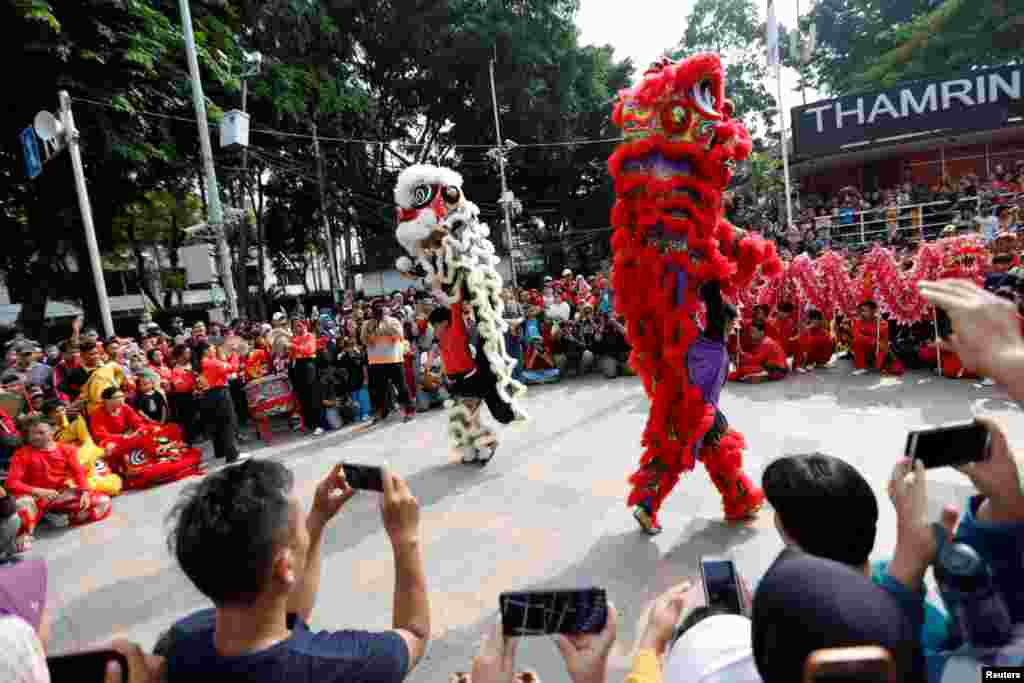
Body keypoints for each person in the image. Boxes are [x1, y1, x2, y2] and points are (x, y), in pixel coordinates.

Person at [160, 461, 428, 683]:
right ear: (285, 566)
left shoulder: (181, 642)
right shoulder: (342, 666)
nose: (305, 534)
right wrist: (406, 539)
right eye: (301, 528)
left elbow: (287, 613)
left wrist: (318, 517)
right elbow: (414, 635)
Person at [631, 282, 765, 534]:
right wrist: (709, 278)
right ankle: (741, 502)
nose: (733, 327)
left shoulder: (693, 344)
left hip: (685, 410)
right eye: (732, 322)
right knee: (722, 457)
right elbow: (713, 305)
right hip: (699, 412)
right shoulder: (710, 343)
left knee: (679, 460)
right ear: (722, 321)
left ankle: (646, 508)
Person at [429, 303, 521, 465]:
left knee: (466, 419)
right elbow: (447, 362)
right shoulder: (441, 339)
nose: (434, 329)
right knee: (463, 419)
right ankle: (472, 449)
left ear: (444, 322)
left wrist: (450, 286)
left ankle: (487, 446)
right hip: (456, 383)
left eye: (435, 325)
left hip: (471, 380)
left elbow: (455, 304)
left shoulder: (456, 328)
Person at [5, 416, 112, 553]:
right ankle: (26, 533)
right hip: (34, 498)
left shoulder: (67, 449)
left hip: (59, 495)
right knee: (23, 503)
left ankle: (65, 518)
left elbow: (78, 473)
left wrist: (85, 491)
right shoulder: (21, 454)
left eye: (41, 432)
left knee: (103, 502)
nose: (36, 437)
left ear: (52, 432)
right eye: (32, 433)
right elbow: (12, 483)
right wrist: (39, 492)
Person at [362, 300, 415, 425]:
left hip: (394, 359)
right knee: (380, 390)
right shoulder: (367, 324)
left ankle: (409, 410)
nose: (378, 312)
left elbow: (398, 335)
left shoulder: (393, 321)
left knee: (401, 387)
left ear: (384, 310)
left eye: (380, 309)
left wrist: (377, 333)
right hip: (376, 361)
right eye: (375, 310)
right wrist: (377, 334)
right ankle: (382, 412)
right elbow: (364, 339)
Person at [193, 342, 239, 463]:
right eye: (213, 348)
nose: (214, 351)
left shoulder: (198, 364)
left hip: (207, 395)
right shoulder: (211, 362)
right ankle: (232, 454)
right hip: (219, 393)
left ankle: (220, 452)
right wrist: (234, 354)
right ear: (206, 351)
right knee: (228, 422)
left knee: (216, 424)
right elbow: (233, 368)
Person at [288, 319, 323, 436]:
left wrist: (293, 346)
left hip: (309, 365)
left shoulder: (310, 336)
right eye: (295, 326)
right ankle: (309, 424)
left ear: (304, 325)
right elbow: (291, 355)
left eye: (299, 325)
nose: (297, 328)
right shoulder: (293, 339)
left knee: (312, 394)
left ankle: (318, 424)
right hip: (297, 366)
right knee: (302, 396)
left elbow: (309, 350)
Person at [851, 300, 890, 375]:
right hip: (867, 347)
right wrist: (873, 341)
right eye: (861, 311)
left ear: (873, 311)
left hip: (879, 349)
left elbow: (884, 342)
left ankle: (878, 363)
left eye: (865, 311)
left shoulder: (882, 323)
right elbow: (857, 336)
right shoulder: (857, 322)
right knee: (856, 341)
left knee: (879, 366)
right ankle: (861, 367)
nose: (862, 313)